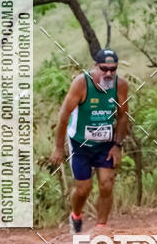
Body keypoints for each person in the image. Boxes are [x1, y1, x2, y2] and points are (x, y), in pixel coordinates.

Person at [50, 48, 130, 233]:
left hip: (105, 144)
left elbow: (123, 116)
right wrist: (58, 148)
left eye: (113, 69)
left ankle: (101, 227)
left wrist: (117, 145)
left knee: (107, 183)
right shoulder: (81, 84)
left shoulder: (120, 85)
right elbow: (64, 116)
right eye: (104, 69)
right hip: (80, 144)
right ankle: (76, 215)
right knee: (83, 188)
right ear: (95, 66)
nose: (108, 73)